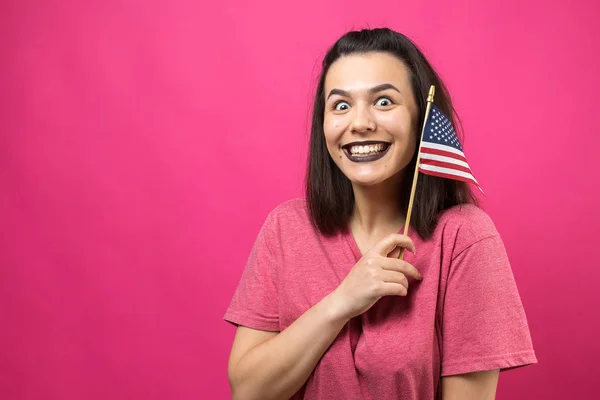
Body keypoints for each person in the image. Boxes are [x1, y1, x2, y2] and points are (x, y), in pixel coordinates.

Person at [223, 27, 537, 400]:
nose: (360, 123)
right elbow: (248, 391)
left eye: (384, 102)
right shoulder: (285, 227)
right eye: (341, 105)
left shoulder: (464, 238)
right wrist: (342, 302)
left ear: (421, 116)